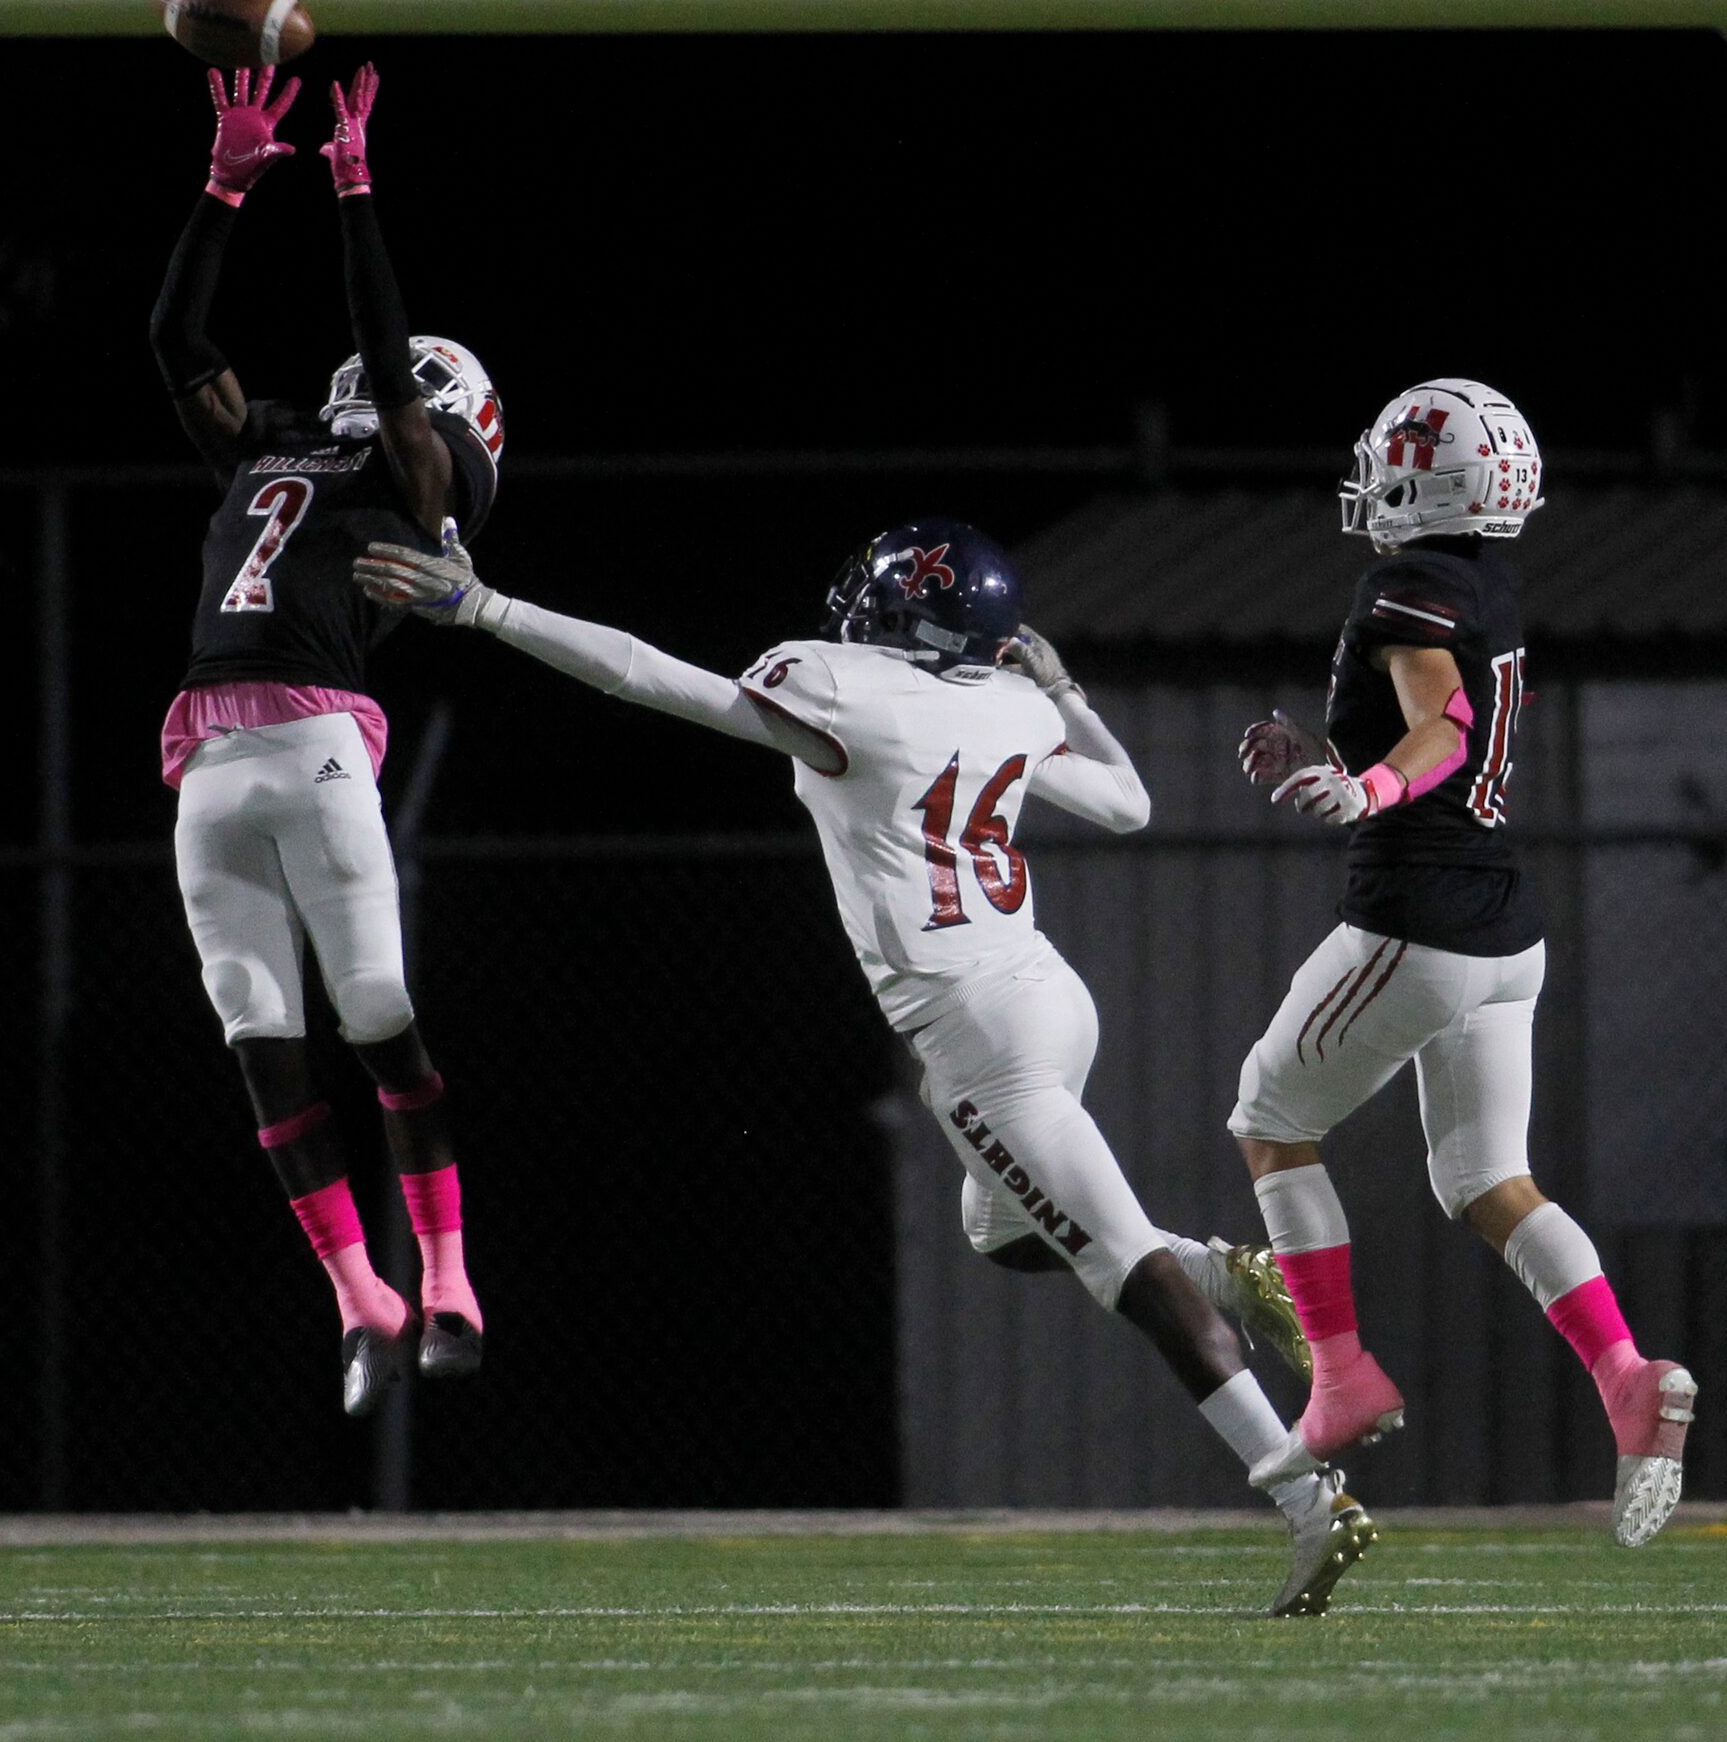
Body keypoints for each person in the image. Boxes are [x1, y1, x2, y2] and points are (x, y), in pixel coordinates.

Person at [355, 516, 1375, 1616]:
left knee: (1123, 1268)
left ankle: (1304, 1495)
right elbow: (1129, 807)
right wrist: (1067, 690)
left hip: (977, 1032)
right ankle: (1230, 1271)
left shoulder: (840, 685)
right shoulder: (1012, 703)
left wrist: (486, 607)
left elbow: (651, 678)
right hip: (1042, 996)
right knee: (1001, 1233)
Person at [1231, 378, 1696, 1546]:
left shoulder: (1408, 581)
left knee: (1267, 1121)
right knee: (1487, 1181)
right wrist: (1331, 751)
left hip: (1415, 916)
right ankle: (1627, 1376)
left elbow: (1442, 725)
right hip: (1503, 927)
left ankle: (1338, 1378)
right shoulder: (1482, 577)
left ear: (1424, 478)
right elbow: (1427, 713)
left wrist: (1368, 784)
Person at [148, 63, 503, 1415]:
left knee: (377, 1020)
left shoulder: (415, 481)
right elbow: (174, 340)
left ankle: (450, 1277)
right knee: (260, 1039)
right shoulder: (278, 443)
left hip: (312, 742)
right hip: (207, 762)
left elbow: (392, 361)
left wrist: (353, 188)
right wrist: (223, 185)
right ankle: (360, 1296)